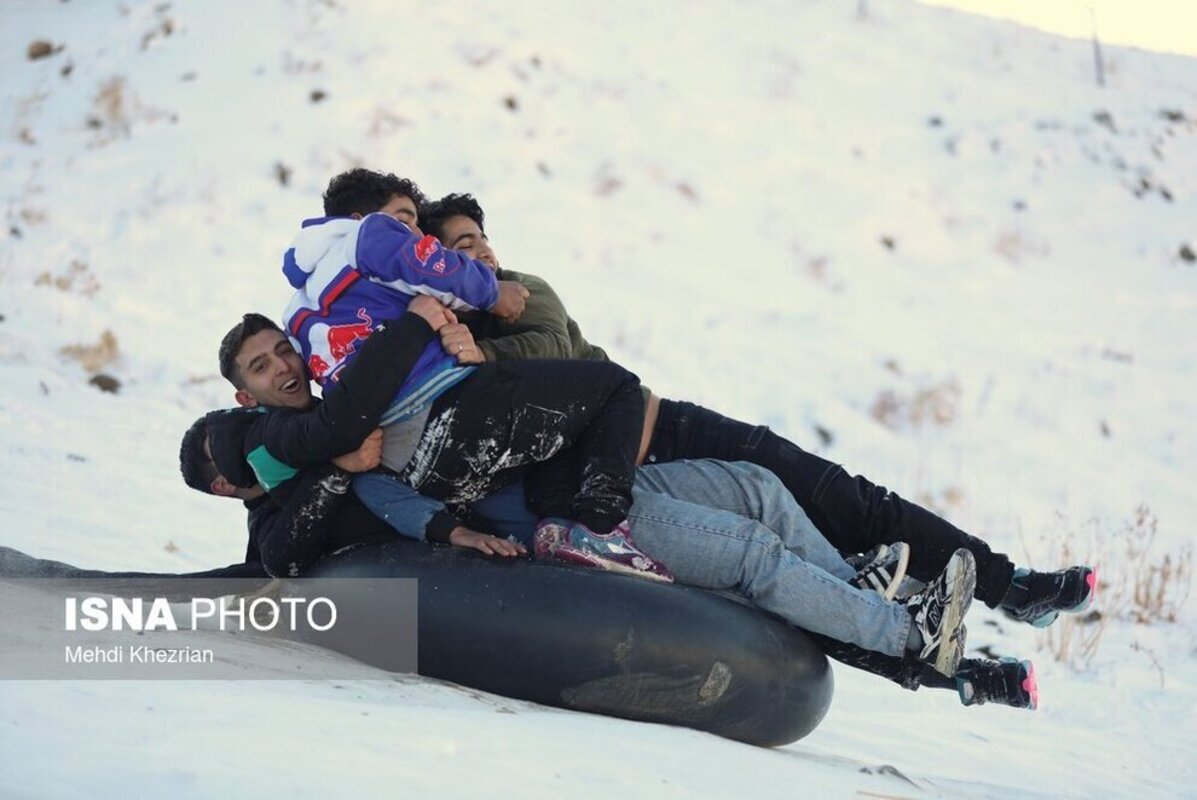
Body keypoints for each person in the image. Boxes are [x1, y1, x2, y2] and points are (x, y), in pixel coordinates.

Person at [181, 297, 1036, 707]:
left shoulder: (354, 382)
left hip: (590, 469)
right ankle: (906, 636)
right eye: (258, 367)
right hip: (566, 519)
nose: (279, 367)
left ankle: (880, 599)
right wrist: (453, 530)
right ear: (244, 395)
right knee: (746, 557)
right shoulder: (316, 453)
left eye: (278, 352)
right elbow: (308, 537)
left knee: (759, 489)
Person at [417, 191, 1096, 632]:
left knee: (853, 501)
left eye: (478, 238)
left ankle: (1009, 586)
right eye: (457, 247)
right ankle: (908, 620)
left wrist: (481, 350)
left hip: (674, 431)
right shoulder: (446, 335)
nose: (476, 252)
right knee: (783, 556)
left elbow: (563, 360)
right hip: (636, 479)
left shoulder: (523, 291)